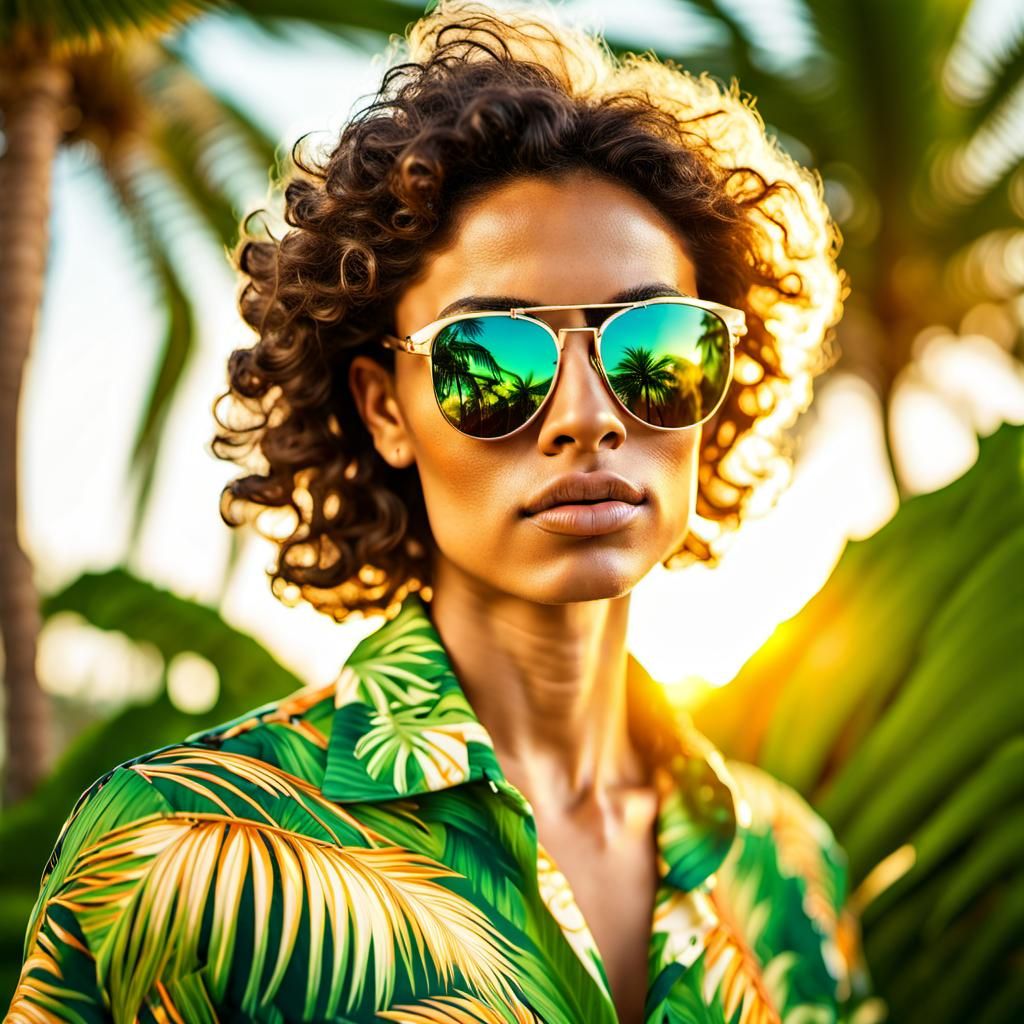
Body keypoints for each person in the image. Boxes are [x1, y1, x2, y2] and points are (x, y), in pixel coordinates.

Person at [8, 1, 872, 1021]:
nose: (587, 417)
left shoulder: (788, 869)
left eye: (658, 347)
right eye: (494, 359)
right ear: (384, 409)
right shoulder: (176, 849)